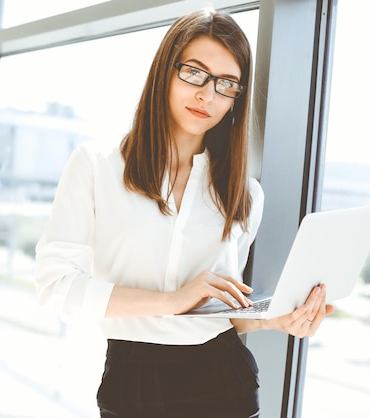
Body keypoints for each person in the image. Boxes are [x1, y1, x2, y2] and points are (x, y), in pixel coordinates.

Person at [34, 7, 333, 418]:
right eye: (194, 73)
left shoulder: (244, 194)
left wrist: (279, 320)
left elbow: (226, 315)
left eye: (227, 84)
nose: (207, 95)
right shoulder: (96, 165)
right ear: (165, 71)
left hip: (226, 381)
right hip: (131, 382)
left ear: (236, 99)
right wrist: (171, 301)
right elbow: (56, 287)